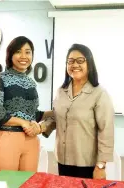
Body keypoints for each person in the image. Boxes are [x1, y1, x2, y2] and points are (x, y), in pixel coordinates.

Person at [41, 43, 114, 179]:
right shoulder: (61, 91)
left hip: (87, 163)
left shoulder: (99, 93)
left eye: (80, 61)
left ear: (89, 64)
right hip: (63, 160)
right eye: (70, 61)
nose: (74, 65)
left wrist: (101, 166)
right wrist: (40, 127)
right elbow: (57, 118)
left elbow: (106, 130)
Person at [0, 36, 53, 171]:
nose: (23, 56)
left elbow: (31, 114)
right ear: (10, 55)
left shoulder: (31, 82)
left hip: (31, 140)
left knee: (28, 183)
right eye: (18, 51)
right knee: (8, 183)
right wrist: (22, 122)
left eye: (28, 52)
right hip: (8, 137)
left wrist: (54, 113)